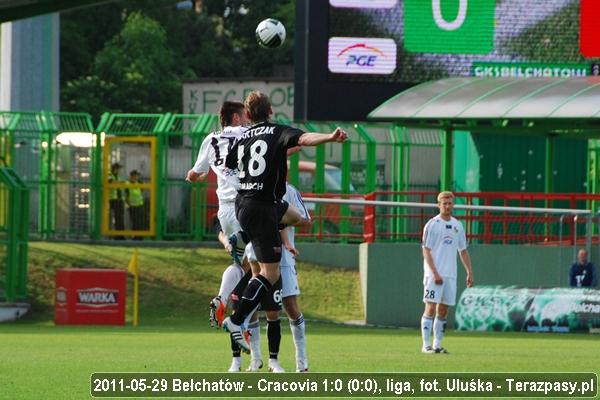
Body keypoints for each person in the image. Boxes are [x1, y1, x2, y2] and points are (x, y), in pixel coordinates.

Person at [222, 90, 347, 353]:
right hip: (263, 206)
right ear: (270, 112)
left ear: (249, 115)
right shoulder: (278, 131)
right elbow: (305, 138)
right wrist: (330, 137)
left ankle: (244, 236)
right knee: (271, 273)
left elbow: (230, 164)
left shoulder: (242, 136)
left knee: (295, 215)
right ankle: (236, 320)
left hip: (243, 204)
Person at [420, 191, 474, 354]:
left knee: (443, 310)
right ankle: (426, 345)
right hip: (433, 275)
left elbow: (463, 250)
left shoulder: (457, 225)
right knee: (430, 307)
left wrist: (469, 272)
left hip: (450, 275)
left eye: (450, 203)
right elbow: (426, 251)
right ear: (439, 205)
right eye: (444, 203)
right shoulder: (432, 224)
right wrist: (435, 273)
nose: (448, 206)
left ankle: (437, 344)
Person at [125, 169, 145, 239]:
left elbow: (142, 190)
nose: (136, 177)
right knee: (134, 222)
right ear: (131, 176)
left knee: (140, 222)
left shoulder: (140, 182)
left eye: (137, 176)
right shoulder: (127, 184)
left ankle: (140, 236)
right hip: (132, 206)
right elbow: (126, 195)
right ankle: (135, 236)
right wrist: (128, 204)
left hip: (140, 205)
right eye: (135, 175)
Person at [108, 162, 125, 237]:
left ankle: (120, 234)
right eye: (119, 169)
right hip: (113, 199)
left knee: (120, 217)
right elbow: (110, 183)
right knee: (117, 217)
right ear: (115, 169)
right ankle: (117, 235)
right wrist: (120, 182)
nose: (119, 170)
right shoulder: (109, 174)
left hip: (118, 199)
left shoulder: (117, 176)